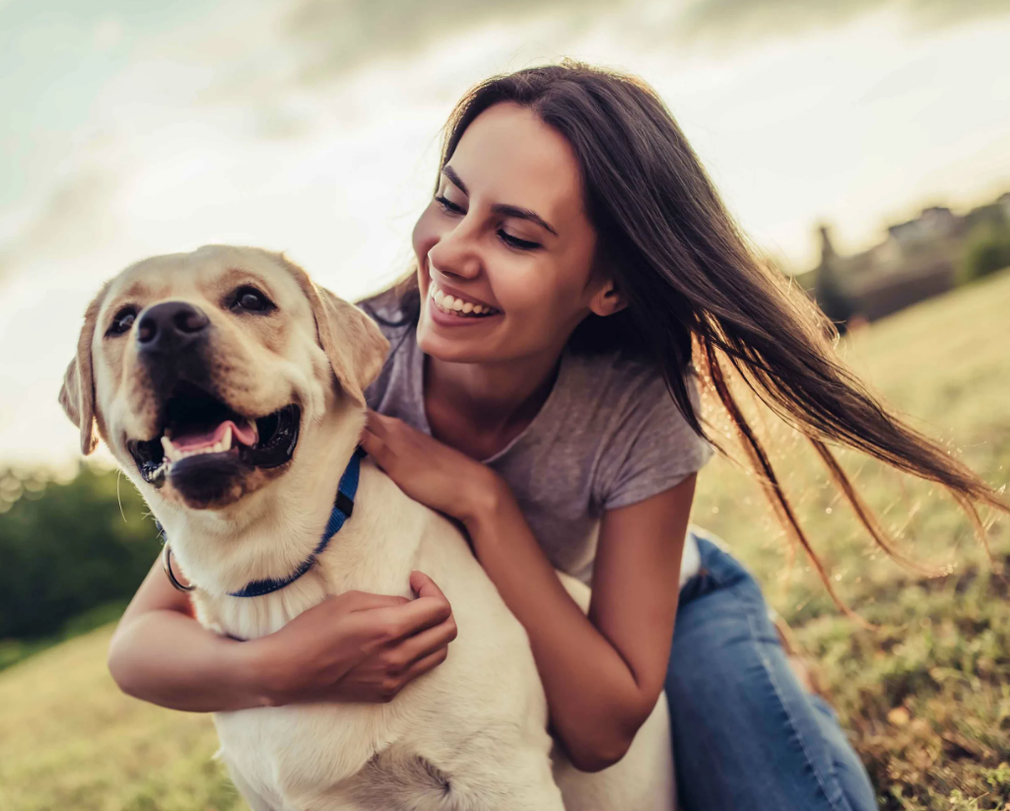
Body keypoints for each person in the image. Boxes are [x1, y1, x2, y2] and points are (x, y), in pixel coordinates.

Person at [106, 62, 1006, 810]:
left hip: (662, 616)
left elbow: (602, 724)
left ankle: (770, 669)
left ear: (605, 285)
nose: (453, 251)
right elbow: (142, 638)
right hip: (512, 657)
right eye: (449, 201)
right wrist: (279, 663)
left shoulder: (637, 405)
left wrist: (484, 502)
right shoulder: (342, 371)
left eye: (516, 235)